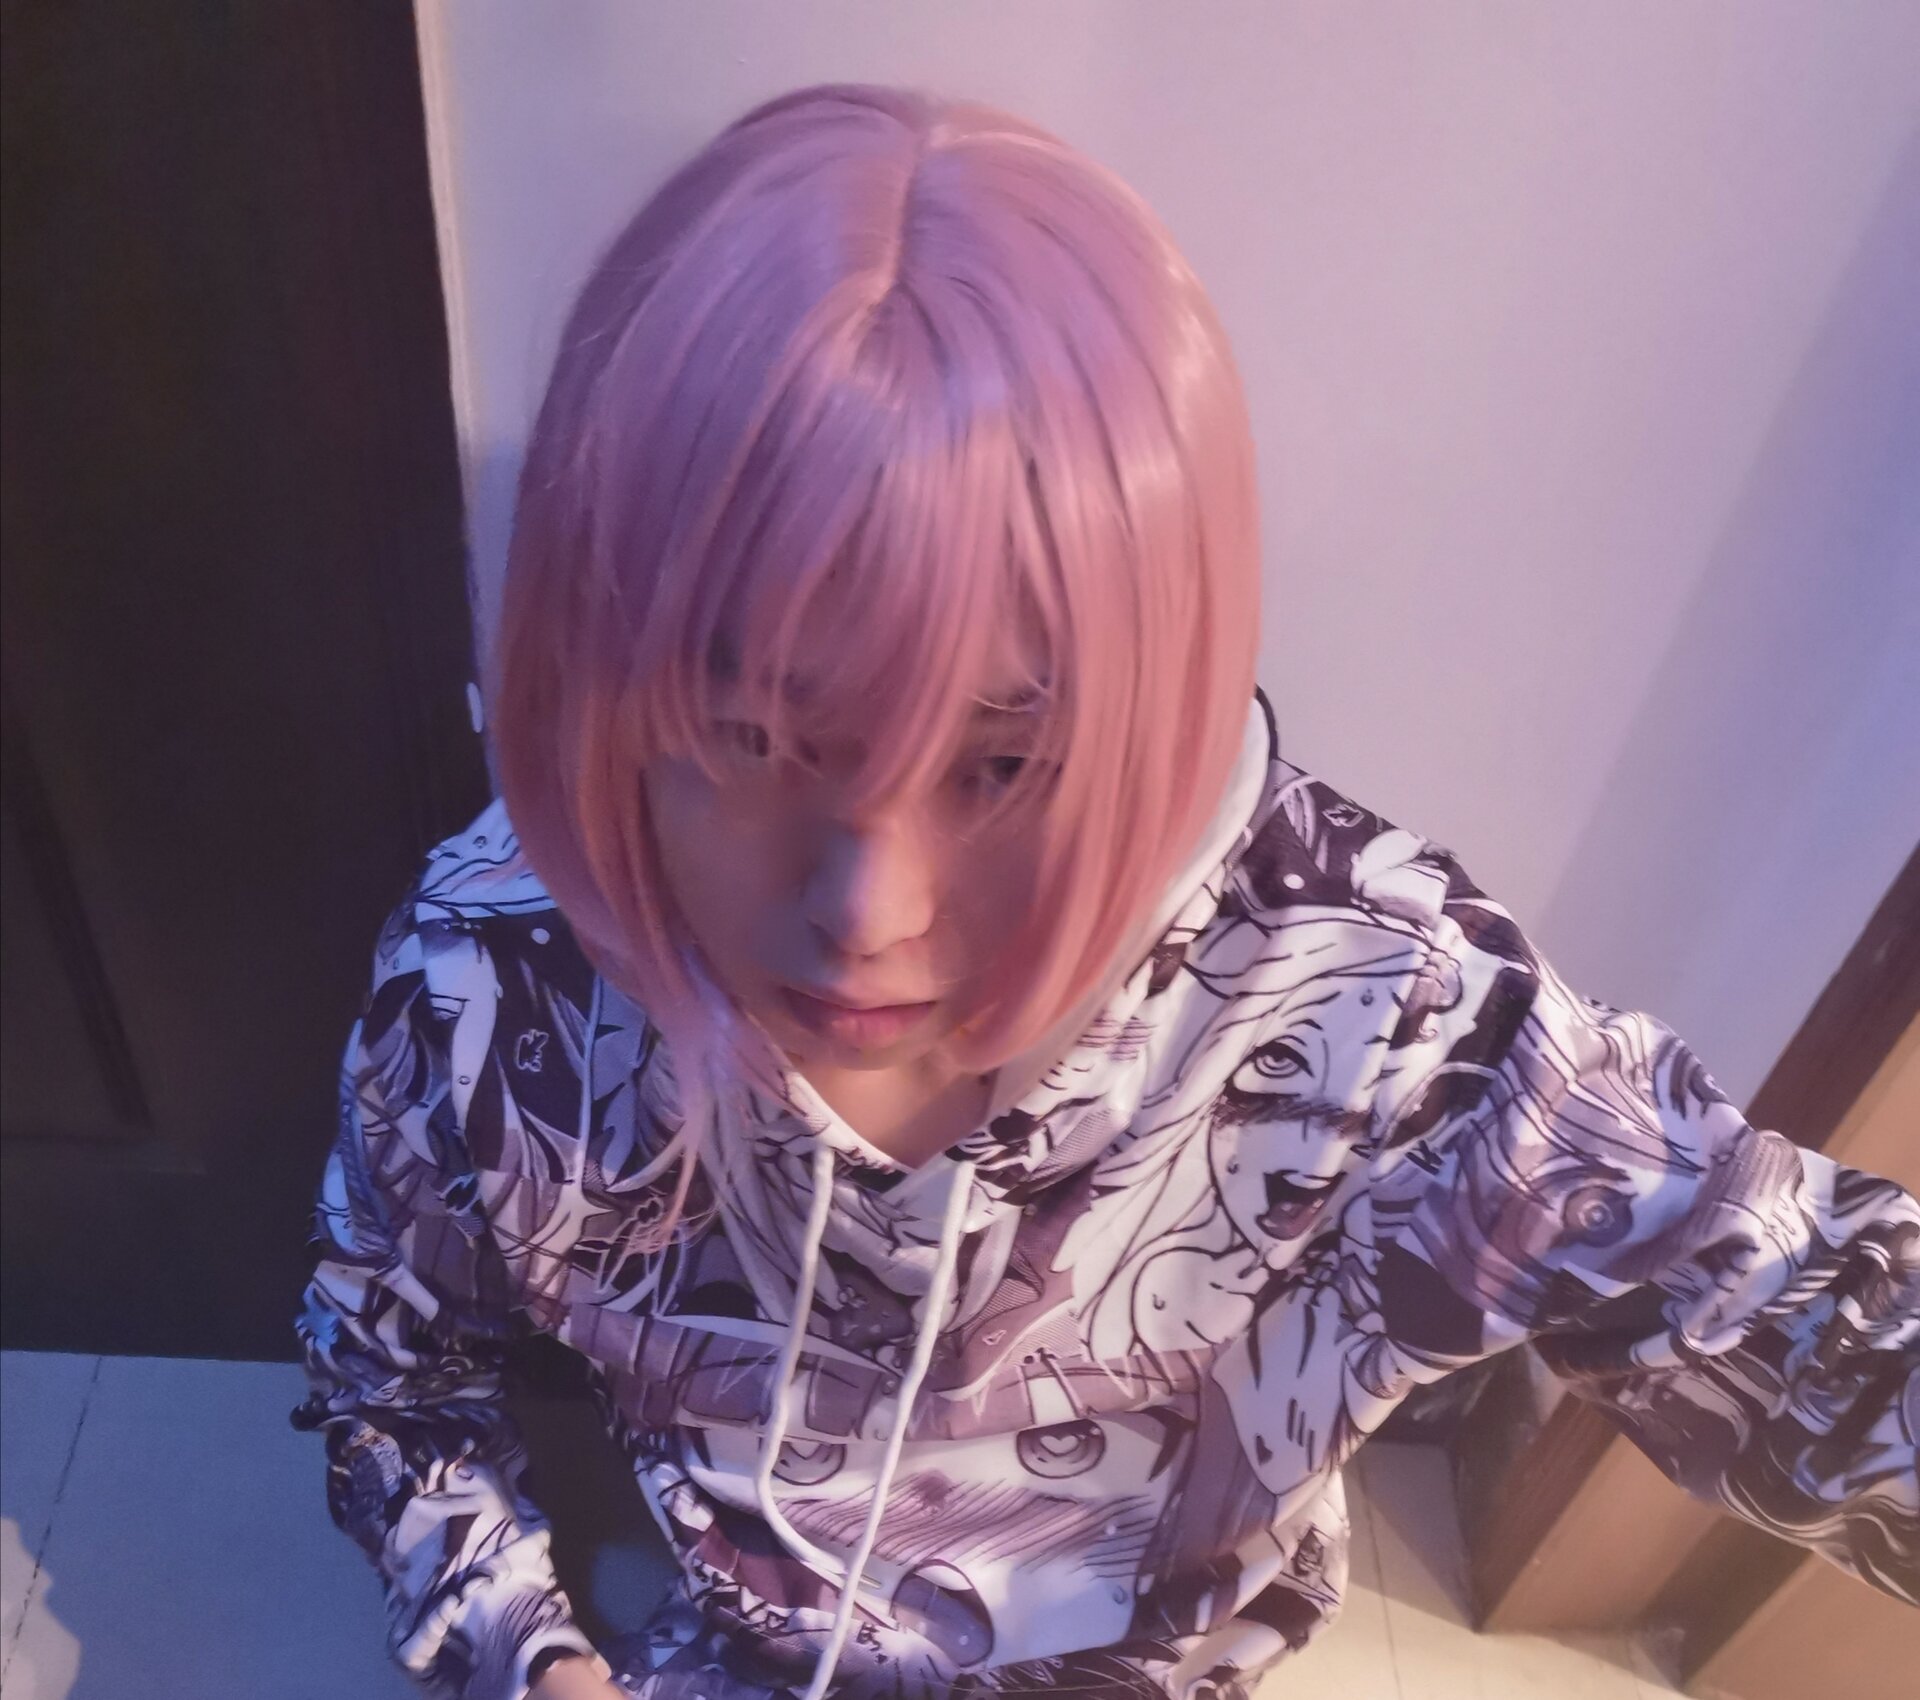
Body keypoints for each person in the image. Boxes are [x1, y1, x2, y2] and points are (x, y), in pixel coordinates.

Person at [290, 83, 1919, 1700]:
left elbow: (1805, 1318)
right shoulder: (489, 984)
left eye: (1002, 764)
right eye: (751, 738)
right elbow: (389, 1377)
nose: (868, 910)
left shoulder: (1374, 1009)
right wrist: (532, 1664)